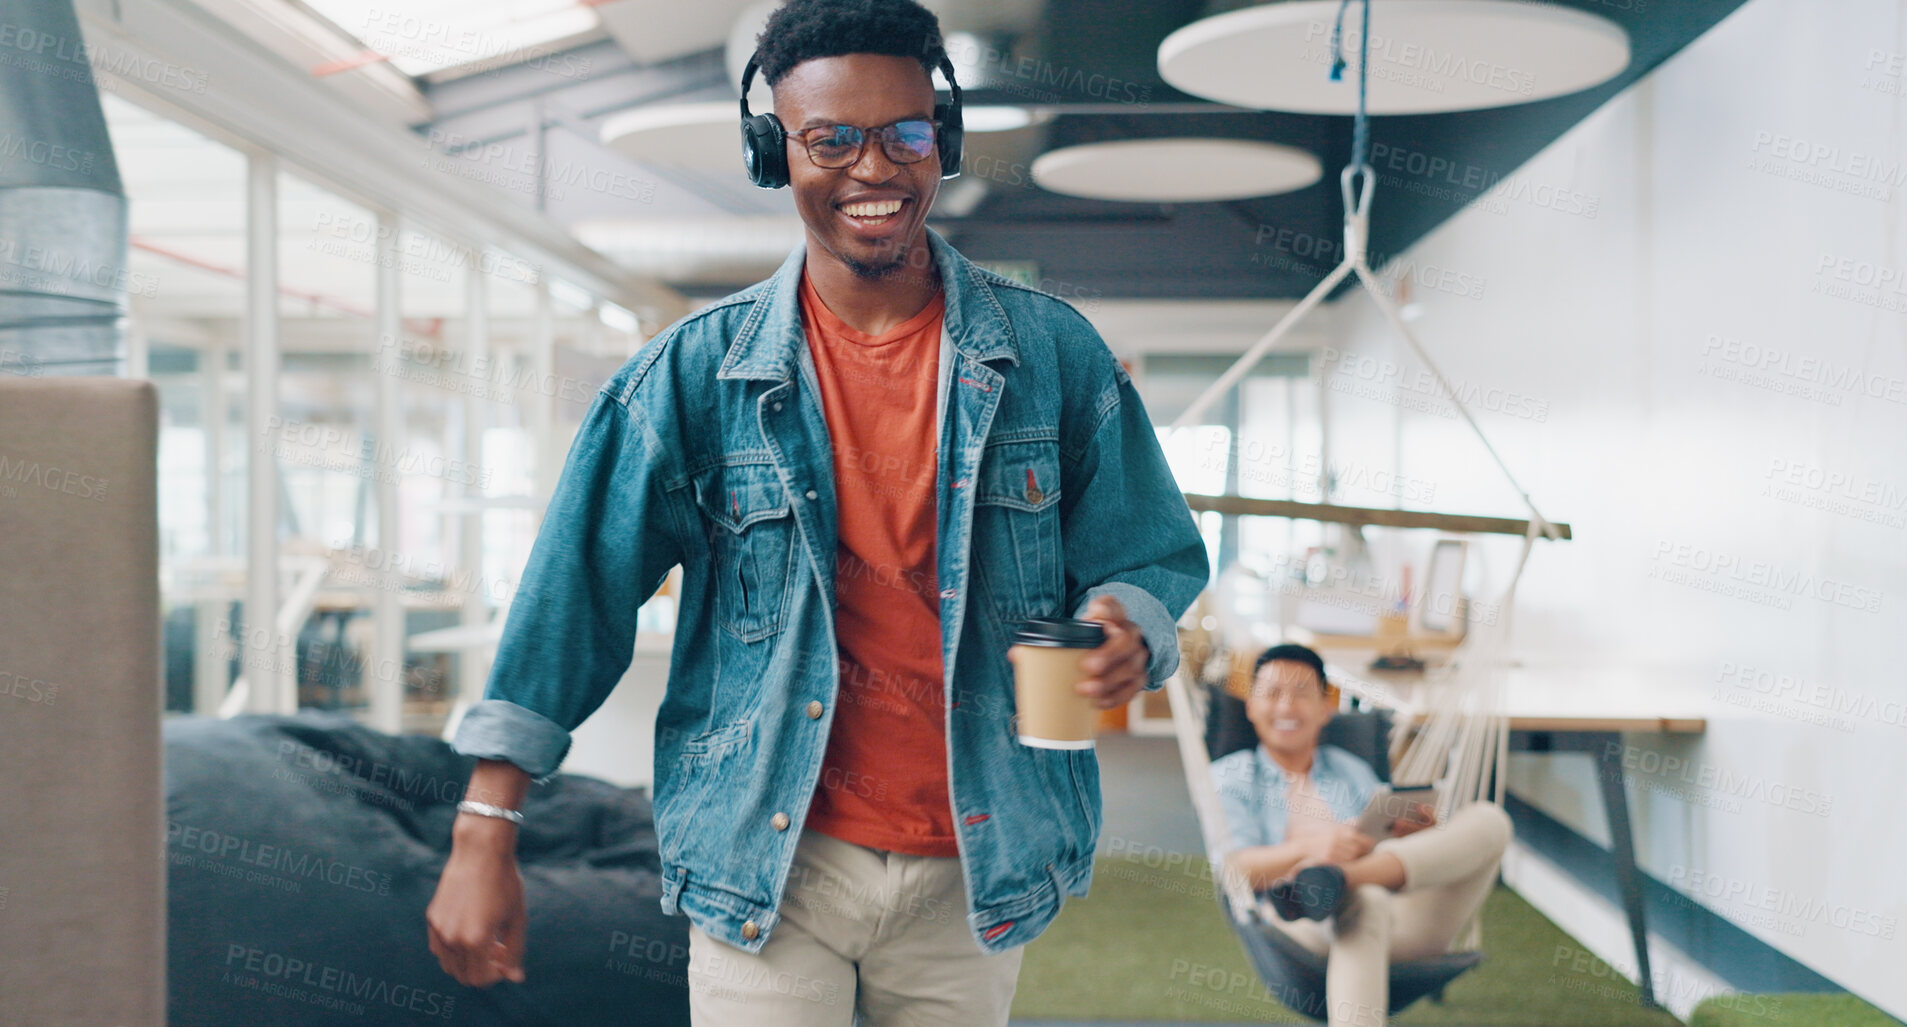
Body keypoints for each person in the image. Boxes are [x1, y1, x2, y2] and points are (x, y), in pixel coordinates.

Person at [424, 0, 1209, 1023]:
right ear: (772, 152)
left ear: (945, 141)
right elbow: (572, 596)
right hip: (769, 862)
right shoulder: (691, 378)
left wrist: (1125, 623)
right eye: (830, 139)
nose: (873, 169)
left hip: (977, 858)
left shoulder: (1053, 356)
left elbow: (1149, 550)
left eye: (906, 134)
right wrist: (485, 828)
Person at [1211, 644, 1512, 1027]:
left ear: (1325, 706)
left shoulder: (1350, 770)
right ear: (1251, 705)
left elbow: (1386, 844)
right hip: (1299, 919)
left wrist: (1415, 833)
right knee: (1363, 899)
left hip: (1402, 919)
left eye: (1301, 693)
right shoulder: (1233, 777)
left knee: (1490, 820)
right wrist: (1314, 848)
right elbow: (1235, 871)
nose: (1286, 707)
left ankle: (1337, 879)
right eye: (1272, 693)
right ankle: (1332, 884)